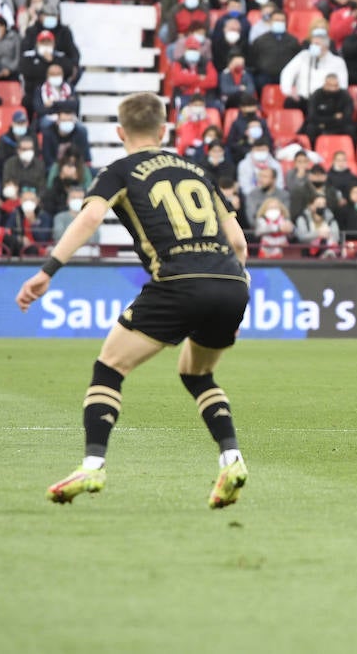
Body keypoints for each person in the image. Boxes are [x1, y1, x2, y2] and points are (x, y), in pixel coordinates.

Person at [14, 93, 251, 508]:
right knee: (196, 374)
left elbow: (88, 217)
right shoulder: (197, 169)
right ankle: (232, 459)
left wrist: (47, 271)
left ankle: (92, 466)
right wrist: (231, 278)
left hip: (178, 282)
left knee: (109, 366)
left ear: (121, 132)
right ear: (164, 130)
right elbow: (238, 242)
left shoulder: (119, 170)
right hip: (231, 283)